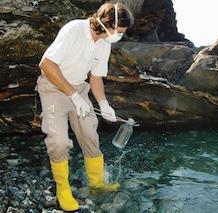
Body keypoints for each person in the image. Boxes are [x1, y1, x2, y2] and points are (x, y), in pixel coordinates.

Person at [36, 2, 133, 211]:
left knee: (90, 134)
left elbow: (96, 77)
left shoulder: (104, 44)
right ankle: (63, 188)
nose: (120, 37)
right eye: (120, 32)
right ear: (108, 24)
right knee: (59, 142)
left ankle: (97, 182)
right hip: (53, 88)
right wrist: (72, 95)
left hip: (80, 88)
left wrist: (103, 103)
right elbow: (46, 63)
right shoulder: (74, 29)